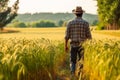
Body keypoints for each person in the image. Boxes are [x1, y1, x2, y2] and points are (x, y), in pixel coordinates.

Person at [64, 6, 92, 75]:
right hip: (82, 45)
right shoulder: (86, 23)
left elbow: (66, 36)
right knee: (81, 60)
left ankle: (72, 73)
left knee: (72, 60)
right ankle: (80, 73)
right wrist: (90, 46)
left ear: (75, 14)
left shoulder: (70, 23)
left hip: (73, 45)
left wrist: (66, 46)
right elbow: (89, 36)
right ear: (82, 13)